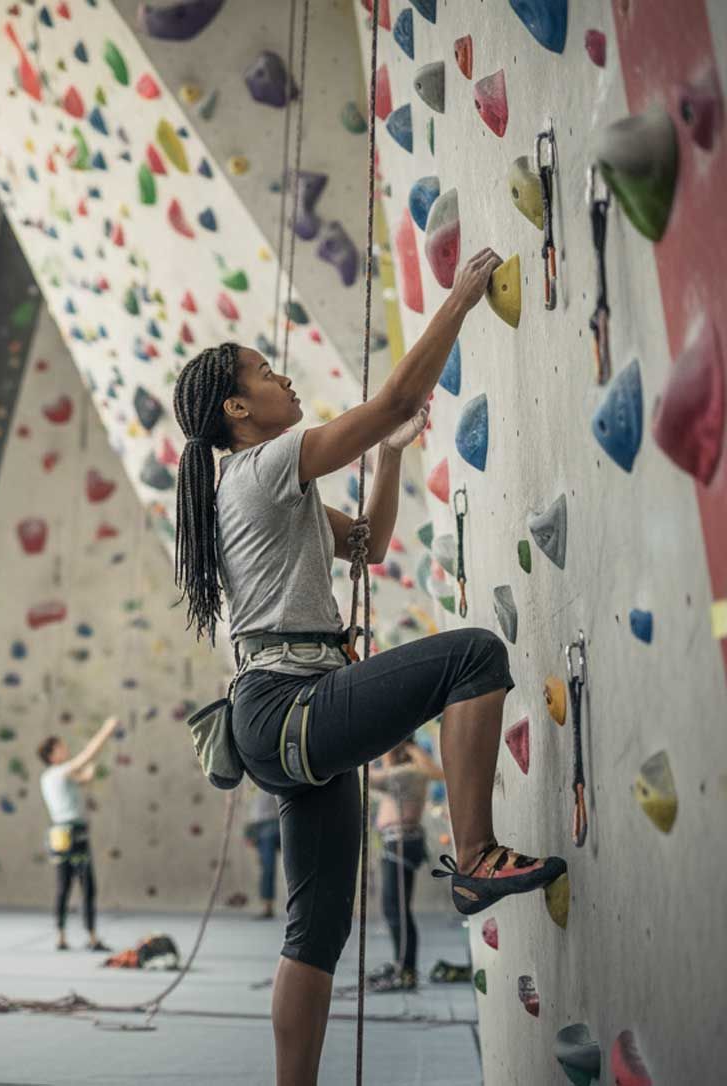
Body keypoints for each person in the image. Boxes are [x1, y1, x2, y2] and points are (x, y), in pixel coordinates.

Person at [170, 248, 566, 1086]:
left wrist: (388, 458)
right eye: (268, 373)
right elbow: (391, 397)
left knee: (315, 932)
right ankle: (477, 857)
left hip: (280, 714)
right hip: (289, 705)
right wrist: (456, 303)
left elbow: (371, 546)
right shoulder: (261, 465)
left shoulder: (273, 489)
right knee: (474, 655)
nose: (284, 379)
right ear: (239, 409)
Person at [36, 716, 120, 950]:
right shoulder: (61, 771)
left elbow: (81, 777)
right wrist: (106, 730)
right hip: (74, 833)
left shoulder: (49, 777)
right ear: (52, 755)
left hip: (58, 834)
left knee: (63, 886)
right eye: (61, 747)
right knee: (87, 886)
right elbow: (88, 755)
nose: (65, 749)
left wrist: (88, 774)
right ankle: (92, 937)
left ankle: (60, 936)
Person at [366, 739, 444, 992]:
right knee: (397, 909)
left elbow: (369, 777)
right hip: (397, 843)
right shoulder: (405, 773)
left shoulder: (406, 773)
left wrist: (405, 745)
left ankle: (406, 968)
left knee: (395, 909)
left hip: (400, 843)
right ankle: (403, 965)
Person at [243, 786, 282, 919]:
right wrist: (249, 834)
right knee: (267, 867)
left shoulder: (268, 773)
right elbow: (250, 811)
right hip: (259, 826)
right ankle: (267, 907)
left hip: (278, 821)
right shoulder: (248, 785)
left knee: (297, 864)